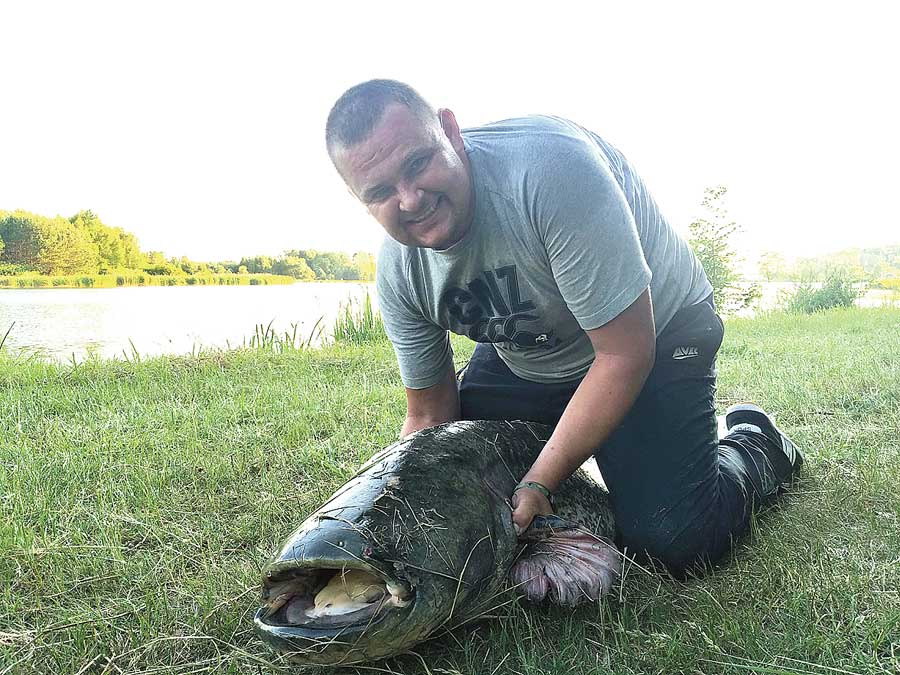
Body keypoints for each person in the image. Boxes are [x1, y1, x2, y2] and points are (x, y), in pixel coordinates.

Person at [325, 79, 803, 575]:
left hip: (657, 330)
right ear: (360, 198)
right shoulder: (400, 272)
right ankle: (606, 446)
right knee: (466, 473)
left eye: (417, 164)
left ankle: (756, 443)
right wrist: (382, 519)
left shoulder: (551, 173)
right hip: (533, 346)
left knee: (672, 537)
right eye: (381, 192)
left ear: (449, 130)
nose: (410, 200)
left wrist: (540, 480)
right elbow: (428, 416)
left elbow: (623, 354)